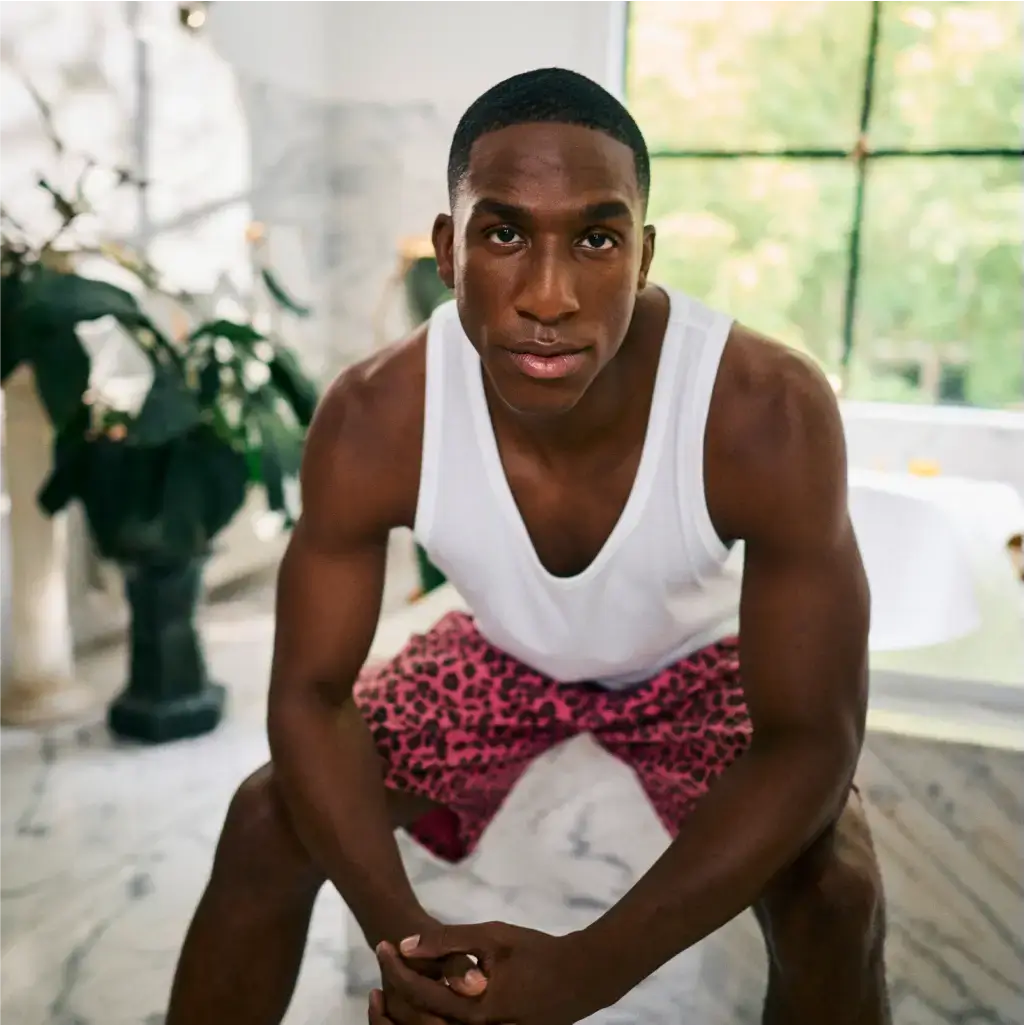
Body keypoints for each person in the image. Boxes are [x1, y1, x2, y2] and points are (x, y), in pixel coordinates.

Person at [166, 68, 890, 1025]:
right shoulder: (377, 413)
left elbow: (813, 737)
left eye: (595, 238)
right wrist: (409, 949)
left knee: (835, 887)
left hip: (697, 666)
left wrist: (589, 968)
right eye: (503, 232)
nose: (547, 296)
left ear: (640, 257)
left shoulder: (764, 409)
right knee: (263, 818)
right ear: (448, 250)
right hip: (500, 653)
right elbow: (307, 694)